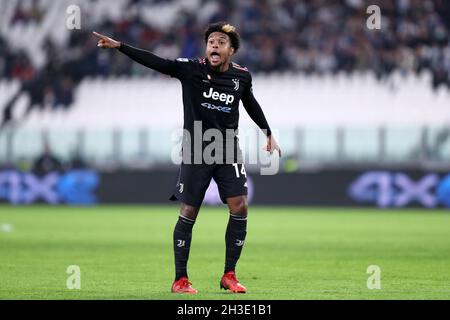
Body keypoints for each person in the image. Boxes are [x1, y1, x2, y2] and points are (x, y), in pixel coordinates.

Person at [93, 22, 281, 294]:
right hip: (197, 149)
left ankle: (229, 274)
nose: (214, 45)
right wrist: (120, 46)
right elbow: (157, 62)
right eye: (211, 41)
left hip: (228, 148)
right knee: (190, 211)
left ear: (232, 50)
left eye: (221, 42)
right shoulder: (191, 69)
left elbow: (250, 102)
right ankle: (180, 280)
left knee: (239, 206)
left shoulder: (242, 77)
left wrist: (268, 133)